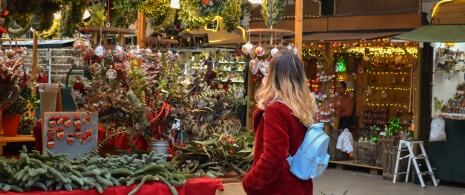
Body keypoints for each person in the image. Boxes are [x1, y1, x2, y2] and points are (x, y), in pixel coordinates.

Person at [242, 50, 317, 195]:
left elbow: (274, 157)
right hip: (300, 185)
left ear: (273, 76)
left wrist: (251, 182)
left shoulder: (276, 109)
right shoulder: (302, 107)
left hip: (278, 188)